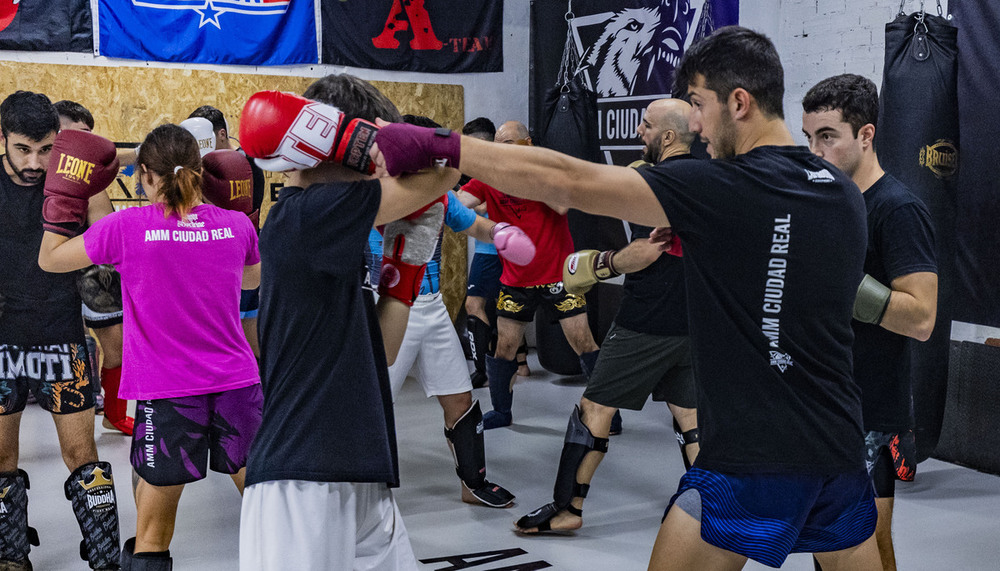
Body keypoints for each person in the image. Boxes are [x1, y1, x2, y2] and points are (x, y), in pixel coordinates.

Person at [372, 25, 884, 570]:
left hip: (756, 453)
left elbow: (566, 179)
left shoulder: (723, 187)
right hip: (838, 444)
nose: (694, 121)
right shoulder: (840, 192)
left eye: (698, 103)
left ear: (740, 102)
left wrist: (445, 146)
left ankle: (570, 503)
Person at [236, 75, 460, 571]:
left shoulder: (333, 232)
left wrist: (403, 277)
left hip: (360, 469)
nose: (385, 171)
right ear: (343, 146)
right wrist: (370, 145)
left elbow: (378, 353)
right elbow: (448, 169)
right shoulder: (304, 216)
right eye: (376, 155)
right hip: (300, 479)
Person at [37, 123, 263, 570]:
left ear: (144, 175)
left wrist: (64, 197)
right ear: (202, 173)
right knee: (266, 506)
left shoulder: (128, 226)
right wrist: (237, 212)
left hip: (171, 396)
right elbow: (253, 279)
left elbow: (50, 259)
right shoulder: (237, 225)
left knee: (154, 533)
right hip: (239, 387)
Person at [514, 98, 701, 535]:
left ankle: (567, 509)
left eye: (647, 125)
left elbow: (640, 256)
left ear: (668, 136)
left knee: (593, 408)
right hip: (694, 322)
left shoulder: (645, 181)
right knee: (691, 415)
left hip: (644, 321)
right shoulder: (713, 180)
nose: (640, 131)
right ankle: (706, 507)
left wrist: (607, 263)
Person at [802, 73, 938, 571]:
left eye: (827, 137)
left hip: (870, 411)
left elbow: (922, 317)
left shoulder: (898, 208)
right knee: (829, 550)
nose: (815, 151)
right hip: (826, 402)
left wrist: (845, 282)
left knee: (867, 550)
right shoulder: (829, 204)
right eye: (809, 138)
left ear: (865, 135)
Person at [367, 114, 532, 509]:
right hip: (390, 309)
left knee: (460, 401)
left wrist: (501, 234)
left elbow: (471, 222)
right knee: (372, 407)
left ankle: (472, 484)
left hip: (433, 308)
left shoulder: (438, 195)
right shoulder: (376, 195)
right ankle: (359, 495)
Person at [0, 91, 122, 571]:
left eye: (46, 149)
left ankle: (106, 556)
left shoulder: (79, 182)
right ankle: (10, 556)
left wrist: (94, 201)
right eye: (23, 149)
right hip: (3, 336)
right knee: (2, 458)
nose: (35, 162)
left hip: (60, 330)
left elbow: (109, 250)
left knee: (81, 454)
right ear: (3, 139)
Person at [456, 120, 600, 430]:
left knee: (583, 342)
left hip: (559, 274)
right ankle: (502, 411)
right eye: (499, 145)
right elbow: (457, 205)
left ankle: (606, 413)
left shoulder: (544, 170)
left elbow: (562, 206)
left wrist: (522, 174)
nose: (502, 151)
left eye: (509, 144)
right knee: (505, 347)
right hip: (516, 278)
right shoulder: (489, 178)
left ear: (528, 143)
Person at [53, 99, 135, 436]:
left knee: (115, 343)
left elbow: (103, 227)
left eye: (88, 135)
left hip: (87, 269)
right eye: (74, 135)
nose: (82, 143)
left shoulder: (91, 178)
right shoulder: (37, 172)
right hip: (45, 273)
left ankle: (112, 414)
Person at [187, 105, 266, 358]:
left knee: (242, 335)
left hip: (239, 258)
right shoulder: (204, 169)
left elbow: (240, 217)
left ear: (221, 134)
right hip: (216, 263)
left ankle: (260, 389)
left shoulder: (246, 165)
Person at [460, 117, 530, 385]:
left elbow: (477, 208)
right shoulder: (484, 174)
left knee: (491, 306)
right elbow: (466, 203)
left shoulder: (508, 171)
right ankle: (503, 366)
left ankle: (499, 367)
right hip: (494, 251)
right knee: (492, 305)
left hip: (504, 252)